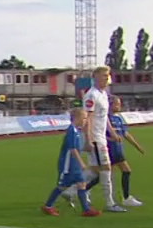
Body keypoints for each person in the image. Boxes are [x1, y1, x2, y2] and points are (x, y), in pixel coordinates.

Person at [41, 107, 100, 217]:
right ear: (77, 117)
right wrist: (81, 163)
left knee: (82, 184)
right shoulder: (72, 130)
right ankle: (48, 206)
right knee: (62, 186)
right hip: (68, 165)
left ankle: (86, 209)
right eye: (84, 118)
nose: (85, 120)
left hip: (74, 165)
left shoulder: (76, 130)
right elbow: (72, 150)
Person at [83, 66, 126, 213]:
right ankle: (109, 203)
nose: (106, 79)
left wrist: (112, 133)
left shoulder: (104, 94)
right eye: (103, 76)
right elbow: (87, 119)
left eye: (107, 76)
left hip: (101, 137)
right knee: (106, 169)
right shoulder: (91, 95)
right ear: (95, 77)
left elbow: (104, 117)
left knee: (95, 171)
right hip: (95, 138)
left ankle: (71, 190)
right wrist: (88, 139)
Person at [100, 95, 145, 207]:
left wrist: (137, 146)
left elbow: (125, 134)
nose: (119, 106)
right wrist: (110, 139)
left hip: (118, 150)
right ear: (110, 105)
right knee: (122, 171)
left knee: (105, 175)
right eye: (117, 104)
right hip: (110, 150)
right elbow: (99, 135)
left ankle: (81, 189)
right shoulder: (106, 119)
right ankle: (126, 198)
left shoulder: (118, 119)